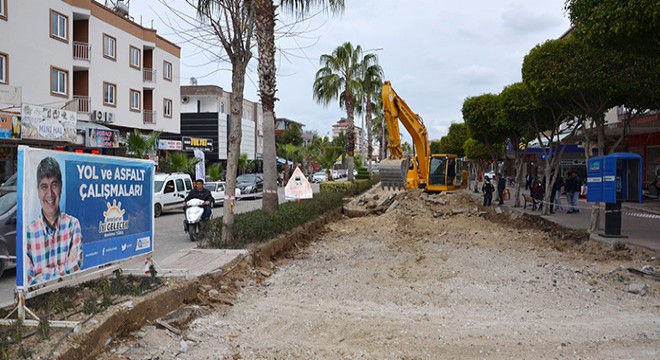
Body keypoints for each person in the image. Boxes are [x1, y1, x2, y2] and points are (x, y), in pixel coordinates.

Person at [26, 157, 83, 286]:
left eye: (54, 185)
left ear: (61, 187)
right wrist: (64, 269)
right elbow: (28, 280)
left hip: (68, 297)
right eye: (44, 187)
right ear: (38, 190)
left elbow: (76, 265)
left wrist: (42, 275)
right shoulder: (28, 233)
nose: (50, 193)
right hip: (40, 303)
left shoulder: (73, 225)